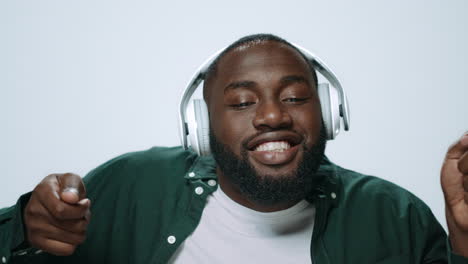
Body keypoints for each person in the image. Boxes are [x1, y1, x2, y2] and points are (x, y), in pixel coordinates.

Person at [0, 34, 467, 264]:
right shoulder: (128, 187)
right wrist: (23, 227)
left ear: (329, 112)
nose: (272, 117)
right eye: (242, 102)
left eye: (295, 97)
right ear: (201, 128)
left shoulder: (393, 216)